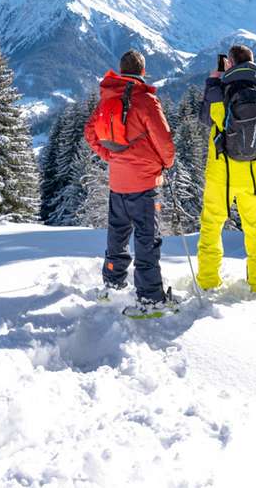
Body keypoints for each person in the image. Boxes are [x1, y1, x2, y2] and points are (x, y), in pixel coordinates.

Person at [84, 49, 178, 317]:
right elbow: (164, 140)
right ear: (143, 71)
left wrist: (110, 156)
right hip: (145, 184)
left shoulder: (108, 97)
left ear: (121, 70)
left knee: (117, 236)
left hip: (118, 182)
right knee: (147, 240)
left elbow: (90, 132)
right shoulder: (146, 100)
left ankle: (112, 284)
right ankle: (149, 298)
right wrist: (166, 164)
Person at [196, 44, 256, 295]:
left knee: (211, 226)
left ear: (229, 63)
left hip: (223, 174)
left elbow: (205, 118)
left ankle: (209, 282)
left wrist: (213, 81)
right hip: (255, 174)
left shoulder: (220, 93)